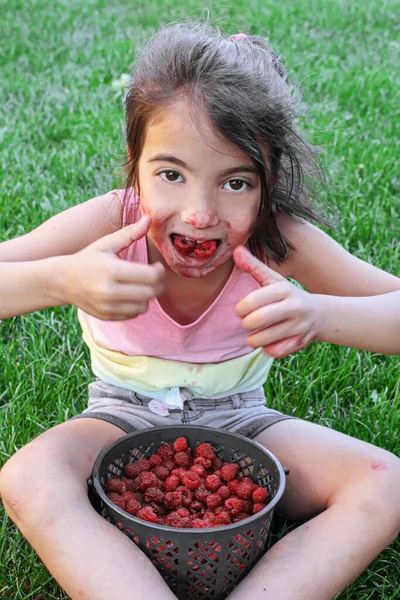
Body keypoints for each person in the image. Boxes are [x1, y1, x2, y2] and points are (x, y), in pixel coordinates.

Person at [0, 20, 399, 600]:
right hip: (116, 419)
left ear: (270, 183)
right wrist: (60, 279)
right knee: (27, 477)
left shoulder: (279, 238)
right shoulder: (110, 223)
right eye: (170, 174)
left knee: (386, 484)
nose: (199, 211)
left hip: (244, 422)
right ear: (134, 164)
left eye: (235, 182)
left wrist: (318, 314)